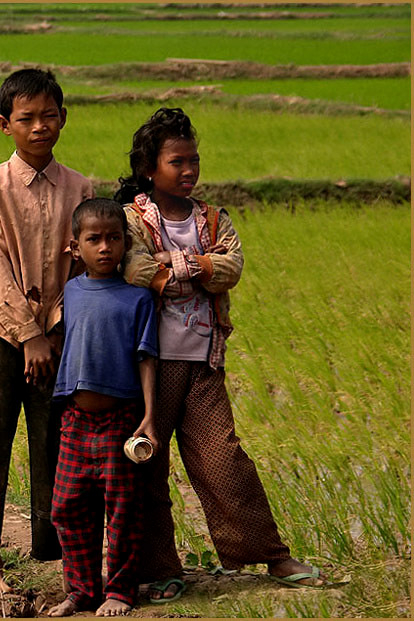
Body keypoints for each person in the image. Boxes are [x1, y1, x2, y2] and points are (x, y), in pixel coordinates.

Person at [115, 107, 326, 603]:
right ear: (149, 167)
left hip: (204, 362)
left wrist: (179, 263)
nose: (189, 170)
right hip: (152, 364)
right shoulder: (132, 218)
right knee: (148, 462)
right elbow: (138, 270)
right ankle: (159, 567)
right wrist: (197, 266)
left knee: (224, 459)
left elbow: (232, 266)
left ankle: (271, 554)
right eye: (177, 162)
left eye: (195, 161)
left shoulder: (212, 217)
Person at [0, 68, 94, 598]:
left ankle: (63, 560)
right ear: (4, 125)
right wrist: (29, 334)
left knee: (57, 446)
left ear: (63, 119)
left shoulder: (81, 188)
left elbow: (85, 266)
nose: (39, 127)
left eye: (48, 116)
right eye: (26, 118)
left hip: (60, 336)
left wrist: (53, 331)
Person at [46, 198, 159, 617]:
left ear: (125, 243)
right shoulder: (70, 292)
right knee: (67, 506)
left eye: (114, 238)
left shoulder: (138, 299)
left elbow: (147, 358)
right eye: (94, 239)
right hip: (75, 419)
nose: (105, 247)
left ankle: (121, 591)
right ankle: (81, 590)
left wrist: (149, 416)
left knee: (123, 509)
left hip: (121, 421)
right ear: (76, 248)